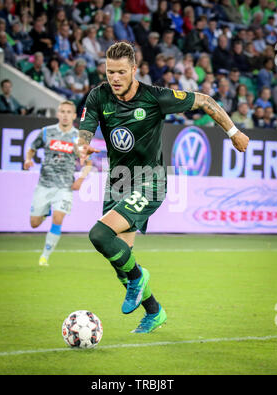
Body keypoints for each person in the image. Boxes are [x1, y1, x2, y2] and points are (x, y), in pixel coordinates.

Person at [77, 41, 249, 333]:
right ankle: (154, 311)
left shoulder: (155, 97)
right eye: (109, 72)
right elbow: (86, 129)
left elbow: (205, 101)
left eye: (120, 72)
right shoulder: (98, 96)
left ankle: (138, 278)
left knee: (99, 234)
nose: (114, 78)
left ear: (134, 69)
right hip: (118, 182)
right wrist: (81, 147)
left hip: (149, 180)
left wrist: (233, 132)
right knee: (121, 262)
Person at [23, 101, 92, 267]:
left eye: (69, 112)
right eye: (62, 111)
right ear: (58, 114)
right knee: (34, 223)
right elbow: (32, 148)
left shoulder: (78, 138)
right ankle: (45, 211)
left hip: (65, 187)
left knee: (58, 217)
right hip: (44, 184)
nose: (65, 114)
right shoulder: (46, 132)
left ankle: (44, 257)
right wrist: (28, 159)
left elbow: (88, 163)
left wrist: (81, 179)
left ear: (74, 116)